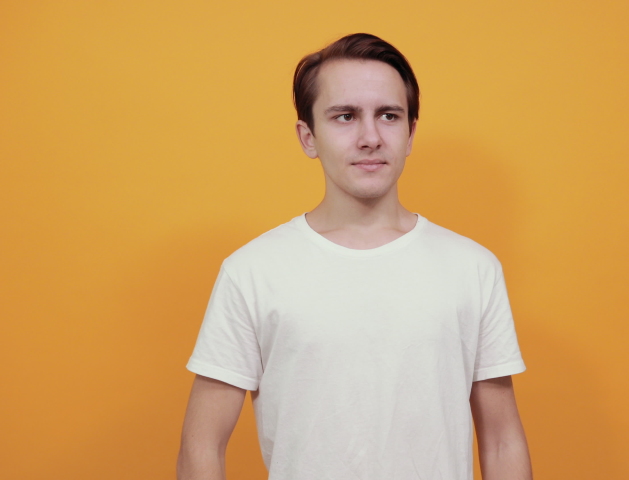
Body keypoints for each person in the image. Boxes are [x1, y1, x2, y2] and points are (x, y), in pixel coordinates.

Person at [177, 33, 532, 480]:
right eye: (345, 116)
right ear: (308, 137)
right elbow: (201, 447)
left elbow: (502, 440)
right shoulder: (252, 272)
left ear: (410, 134)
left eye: (388, 115)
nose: (370, 137)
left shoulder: (473, 269)